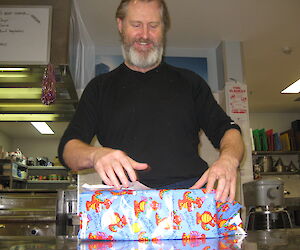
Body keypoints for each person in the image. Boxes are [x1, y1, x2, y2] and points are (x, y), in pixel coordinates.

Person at [58, 0, 244, 203]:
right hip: (124, 206)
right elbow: (68, 150)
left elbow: (228, 130)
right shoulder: (99, 88)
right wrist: (95, 155)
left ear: (164, 28)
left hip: (189, 202)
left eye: (153, 26)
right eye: (136, 25)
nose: (145, 35)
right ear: (120, 25)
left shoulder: (191, 83)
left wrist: (228, 159)